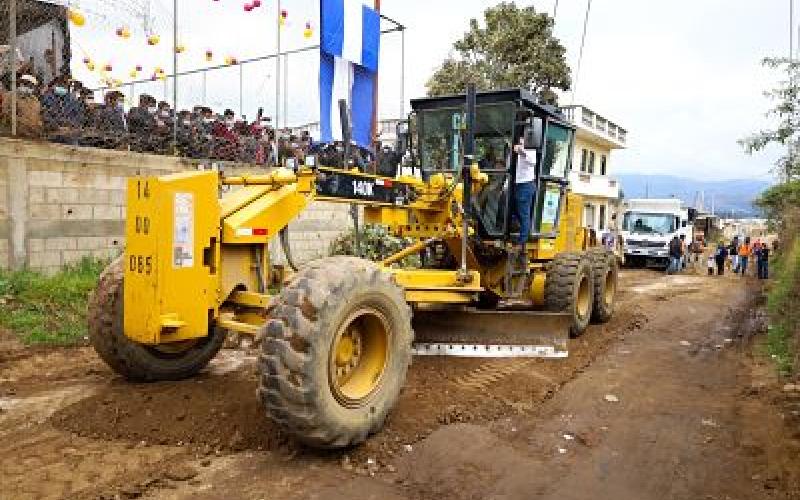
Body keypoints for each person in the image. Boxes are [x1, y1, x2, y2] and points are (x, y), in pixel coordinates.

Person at [512, 134, 537, 266]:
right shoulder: (518, 150)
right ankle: (517, 236)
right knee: (514, 211)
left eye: (522, 140)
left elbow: (532, 161)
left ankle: (521, 243)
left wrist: (521, 150)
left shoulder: (530, 150)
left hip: (526, 185)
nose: (521, 141)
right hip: (518, 184)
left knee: (524, 214)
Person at [0, 74, 43, 139]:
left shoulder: (35, 100)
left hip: (32, 134)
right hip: (13, 134)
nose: (28, 87)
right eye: (26, 84)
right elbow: (6, 114)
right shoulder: (10, 96)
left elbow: (38, 116)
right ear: (20, 83)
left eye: (31, 86)